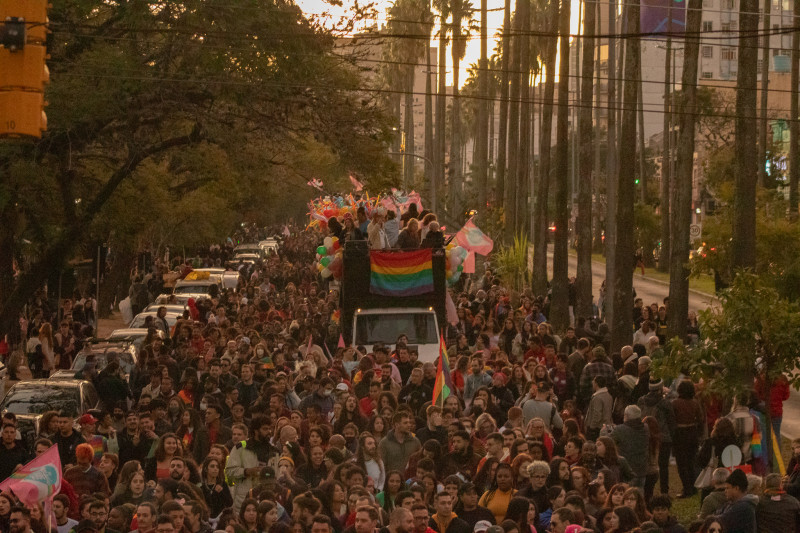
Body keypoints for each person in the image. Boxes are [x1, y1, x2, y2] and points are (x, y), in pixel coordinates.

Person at [225, 414, 278, 511]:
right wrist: (246, 472)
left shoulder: (274, 451)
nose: (269, 432)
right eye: (265, 429)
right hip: (243, 503)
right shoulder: (240, 448)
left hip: (266, 504)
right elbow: (229, 472)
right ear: (256, 430)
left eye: (270, 429)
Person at [605, 405, 649, 489]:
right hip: (642, 469)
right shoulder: (645, 428)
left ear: (626, 416)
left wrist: (605, 431)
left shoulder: (620, 430)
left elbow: (608, 442)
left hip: (627, 470)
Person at [716, 469, 757, 533]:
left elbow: (719, 521)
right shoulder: (730, 504)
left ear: (736, 488)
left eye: (727, 488)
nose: (725, 491)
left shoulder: (744, 507)